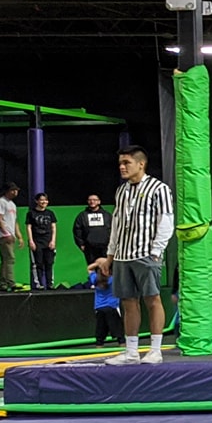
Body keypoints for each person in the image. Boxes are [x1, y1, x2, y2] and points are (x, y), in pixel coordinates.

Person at [92, 146, 173, 365]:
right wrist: (110, 256)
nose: (122, 166)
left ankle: (155, 350)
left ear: (141, 164)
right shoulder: (122, 191)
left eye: (126, 162)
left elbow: (165, 221)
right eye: (120, 163)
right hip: (122, 256)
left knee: (152, 299)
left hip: (146, 254)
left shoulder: (159, 189)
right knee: (128, 302)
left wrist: (156, 251)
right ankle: (131, 352)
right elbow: (116, 225)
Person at [24, 192, 58, 290]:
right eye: (41, 200)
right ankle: (38, 284)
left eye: (45, 200)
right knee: (37, 263)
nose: (44, 202)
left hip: (48, 241)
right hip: (37, 241)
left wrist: (53, 241)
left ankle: (50, 283)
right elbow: (29, 227)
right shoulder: (31, 213)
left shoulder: (50, 213)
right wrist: (31, 241)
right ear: (37, 201)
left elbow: (53, 227)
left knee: (49, 263)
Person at [0, 183, 20, 292]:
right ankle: (11, 283)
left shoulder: (12, 204)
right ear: (7, 191)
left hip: (9, 234)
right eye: (13, 190)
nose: (15, 192)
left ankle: (2, 284)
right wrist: (6, 233)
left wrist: (19, 235)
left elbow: (14, 221)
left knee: (5, 260)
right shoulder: (1, 202)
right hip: (3, 235)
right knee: (10, 258)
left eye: (16, 190)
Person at [89, 262, 122, 346]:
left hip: (99, 308)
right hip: (112, 307)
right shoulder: (113, 279)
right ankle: (123, 347)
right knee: (119, 333)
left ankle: (99, 347)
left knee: (100, 332)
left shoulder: (95, 279)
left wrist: (98, 263)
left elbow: (89, 268)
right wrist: (107, 262)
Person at [74, 193, 110, 264]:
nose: (92, 202)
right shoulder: (82, 216)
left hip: (105, 247)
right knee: (92, 268)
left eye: (94, 200)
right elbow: (77, 230)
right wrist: (81, 244)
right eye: (90, 200)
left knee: (106, 269)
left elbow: (113, 229)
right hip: (89, 248)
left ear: (99, 202)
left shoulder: (107, 215)